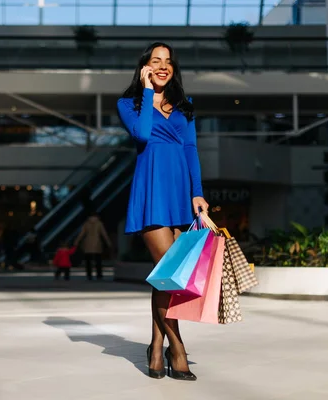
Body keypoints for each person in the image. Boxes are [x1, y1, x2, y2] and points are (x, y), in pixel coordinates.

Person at [117, 42, 209, 381]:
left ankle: (156, 347)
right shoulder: (128, 103)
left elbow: (191, 149)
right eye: (156, 60)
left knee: (166, 277)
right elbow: (141, 134)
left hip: (179, 193)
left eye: (168, 61)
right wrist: (145, 91)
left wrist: (197, 193)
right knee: (171, 274)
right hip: (152, 191)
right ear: (144, 66)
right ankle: (177, 348)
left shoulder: (185, 105)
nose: (163, 66)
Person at [74, 212, 111, 280]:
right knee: (98, 261)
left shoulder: (86, 224)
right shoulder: (99, 223)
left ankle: (89, 275)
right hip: (97, 244)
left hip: (88, 244)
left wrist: (76, 241)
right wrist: (108, 242)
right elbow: (104, 234)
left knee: (88, 261)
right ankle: (99, 275)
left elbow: (81, 234)